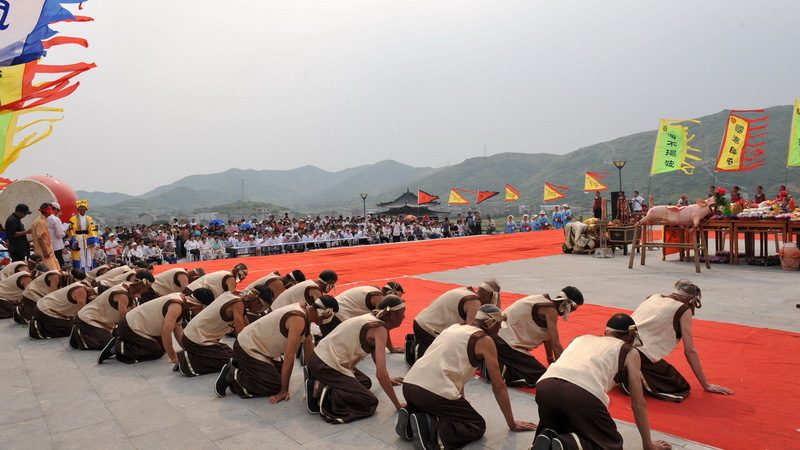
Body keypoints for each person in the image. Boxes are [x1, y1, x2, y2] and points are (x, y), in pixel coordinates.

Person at [399, 305, 536, 449]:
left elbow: (457, 370)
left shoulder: (455, 327)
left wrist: (460, 402)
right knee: (476, 425)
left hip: (409, 387)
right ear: (492, 324)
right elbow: (498, 385)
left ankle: (412, 413)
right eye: (499, 325)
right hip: (433, 393)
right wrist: (511, 423)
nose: (500, 329)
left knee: (447, 407)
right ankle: (433, 428)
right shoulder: (484, 340)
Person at [531, 314, 671, 450]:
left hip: (545, 385)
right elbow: (638, 403)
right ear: (630, 336)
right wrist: (648, 445)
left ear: (607, 331)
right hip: (581, 392)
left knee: (568, 422)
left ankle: (548, 434)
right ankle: (567, 444)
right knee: (610, 443)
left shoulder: (581, 338)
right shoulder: (629, 351)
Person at [623, 279, 734, 402]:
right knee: (678, 384)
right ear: (691, 299)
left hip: (619, 345)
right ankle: (629, 376)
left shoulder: (653, 297)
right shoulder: (683, 309)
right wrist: (706, 384)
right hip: (638, 353)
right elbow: (690, 351)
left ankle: (621, 367)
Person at [214, 295, 338, 401]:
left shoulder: (305, 311)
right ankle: (231, 375)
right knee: (273, 386)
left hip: (261, 348)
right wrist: (284, 391)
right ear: (323, 312)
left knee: (277, 375)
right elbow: (289, 356)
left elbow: (308, 344)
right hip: (248, 347)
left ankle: (243, 365)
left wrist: (315, 372)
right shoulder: (298, 319)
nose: (324, 322)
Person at [305, 295, 406, 424]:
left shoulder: (372, 319)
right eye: (402, 313)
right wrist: (397, 405)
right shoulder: (379, 328)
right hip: (325, 364)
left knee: (365, 382)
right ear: (392, 315)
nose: (404, 317)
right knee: (369, 402)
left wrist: (388, 378)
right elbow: (381, 374)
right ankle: (322, 394)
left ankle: (323, 382)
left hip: (319, 358)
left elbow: (377, 358)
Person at [487, 287, 584, 387]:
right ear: (568, 304)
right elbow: (556, 344)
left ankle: (492, 359)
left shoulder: (542, 299)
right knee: (540, 377)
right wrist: (562, 371)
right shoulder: (550, 310)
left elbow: (548, 338)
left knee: (530, 367)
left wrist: (550, 359)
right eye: (573, 309)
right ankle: (497, 372)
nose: (572, 312)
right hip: (505, 342)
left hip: (498, 337)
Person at [175, 285, 273, 377]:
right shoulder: (238, 304)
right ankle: (188, 362)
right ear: (256, 301)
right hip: (196, 340)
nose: (260, 310)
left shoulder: (234, 295)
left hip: (193, 335)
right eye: (262, 307)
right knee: (232, 361)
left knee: (231, 354)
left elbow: (246, 325)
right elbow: (241, 334)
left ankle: (195, 355)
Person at [97, 289, 215, 365]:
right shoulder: (176, 305)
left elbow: (177, 328)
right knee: (156, 350)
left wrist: (186, 348)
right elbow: (166, 332)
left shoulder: (181, 300)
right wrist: (174, 358)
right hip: (130, 326)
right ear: (198, 304)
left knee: (162, 347)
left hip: (140, 326)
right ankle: (118, 346)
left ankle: (126, 342)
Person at [407, 280, 500, 365]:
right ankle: (417, 350)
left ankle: (419, 344)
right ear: (492, 297)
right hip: (428, 329)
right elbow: (470, 330)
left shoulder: (466, 291)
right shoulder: (474, 302)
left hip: (420, 323)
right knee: (449, 360)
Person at [70, 271, 154, 350]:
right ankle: (79, 335)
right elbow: (124, 319)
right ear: (141, 285)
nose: (147, 290)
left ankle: (86, 332)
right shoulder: (122, 295)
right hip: (88, 318)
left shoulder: (129, 290)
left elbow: (133, 314)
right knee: (111, 344)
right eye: (148, 287)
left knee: (117, 337)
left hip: (102, 322)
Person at [28, 280, 96, 339]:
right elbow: (82, 314)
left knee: (71, 324)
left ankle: (45, 323)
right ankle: (37, 329)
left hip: (44, 307)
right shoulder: (81, 291)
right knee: (72, 329)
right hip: (44, 309)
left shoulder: (81, 286)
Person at [15, 267, 83, 325]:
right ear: (71, 277)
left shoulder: (66, 278)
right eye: (74, 281)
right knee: (42, 313)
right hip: (31, 294)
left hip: (40, 295)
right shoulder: (55, 276)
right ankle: (20, 311)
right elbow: (52, 295)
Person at [269, 269, 337, 310]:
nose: (332, 287)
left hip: (276, 309)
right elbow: (320, 310)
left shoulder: (310, 282)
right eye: (333, 284)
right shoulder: (315, 289)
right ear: (329, 281)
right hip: (277, 312)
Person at [184, 263, 248, 300]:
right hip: (196, 293)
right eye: (244, 274)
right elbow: (230, 296)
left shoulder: (226, 273)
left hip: (191, 289)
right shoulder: (231, 278)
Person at [139, 267, 205, 303]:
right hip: (153, 291)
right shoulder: (183, 275)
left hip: (153, 290)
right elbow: (185, 292)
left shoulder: (183, 272)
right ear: (195, 277)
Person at [66, 199, 98, 270]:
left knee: (89, 255)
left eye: (83, 208)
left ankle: (89, 271)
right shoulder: (73, 219)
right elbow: (70, 230)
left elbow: (93, 229)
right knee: (79, 255)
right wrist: (74, 239)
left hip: (87, 239)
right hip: (78, 239)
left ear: (86, 209)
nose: (82, 209)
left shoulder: (89, 219)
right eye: (80, 208)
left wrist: (92, 241)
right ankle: (79, 271)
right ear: (78, 209)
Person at [31, 203, 59, 270]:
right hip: (43, 250)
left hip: (47, 248)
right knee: (50, 269)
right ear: (47, 211)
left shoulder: (40, 220)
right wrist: (45, 251)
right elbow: (40, 237)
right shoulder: (40, 221)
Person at [47, 203, 66, 268]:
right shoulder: (55, 219)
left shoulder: (44, 218)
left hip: (47, 245)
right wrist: (64, 233)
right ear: (55, 209)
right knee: (59, 263)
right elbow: (60, 234)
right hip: (56, 245)